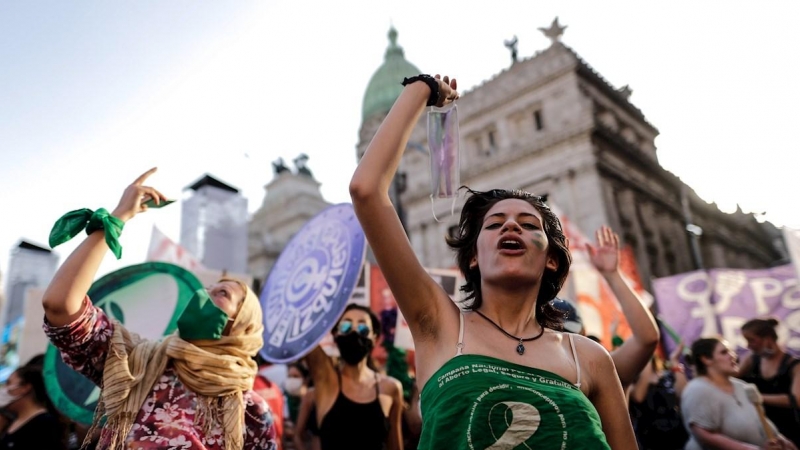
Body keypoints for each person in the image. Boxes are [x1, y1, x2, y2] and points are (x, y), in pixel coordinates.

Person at [349, 73, 635, 448]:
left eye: (528, 223)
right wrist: (422, 89)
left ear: (550, 258)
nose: (511, 226)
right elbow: (366, 190)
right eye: (495, 223)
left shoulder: (589, 357)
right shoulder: (440, 326)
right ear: (472, 257)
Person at [41, 168, 276, 450]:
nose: (204, 293)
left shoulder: (251, 412)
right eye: (209, 288)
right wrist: (116, 219)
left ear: (241, 328)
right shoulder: (136, 363)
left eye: (222, 294)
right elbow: (61, 306)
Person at [304, 304, 403, 450]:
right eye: (346, 326)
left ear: (374, 338)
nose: (354, 331)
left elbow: (395, 446)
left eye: (363, 328)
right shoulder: (326, 382)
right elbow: (305, 334)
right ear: (336, 334)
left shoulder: (390, 388)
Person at [682, 337, 796, 449]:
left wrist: (780, 438)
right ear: (706, 359)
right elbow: (704, 435)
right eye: (724, 352)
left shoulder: (742, 386)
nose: (733, 356)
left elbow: (761, 419)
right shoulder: (698, 390)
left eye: (731, 351)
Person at [739, 317, 800, 446]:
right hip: (763, 429)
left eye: (752, 341)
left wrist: (759, 398)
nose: (748, 346)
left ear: (767, 339)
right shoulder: (752, 359)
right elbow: (732, 376)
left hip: (789, 429)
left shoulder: (794, 365)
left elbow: (796, 399)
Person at [628, 343, 689, 449]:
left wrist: (674, 361)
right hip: (653, 438)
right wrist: (646, 359)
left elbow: (684, 393)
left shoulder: (665, 375)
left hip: (677, 432)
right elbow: (638, 397)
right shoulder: (631, 382)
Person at [0, 364, 67, 449]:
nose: (4, 389)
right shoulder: (13, 420)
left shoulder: (44, 423)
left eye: (9, 383)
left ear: (26, 388)